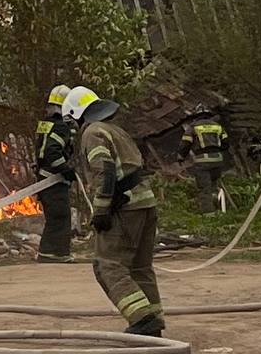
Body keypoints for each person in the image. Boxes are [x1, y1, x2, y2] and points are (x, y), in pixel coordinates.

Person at [63, 85, 164, 338]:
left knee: (108, 265)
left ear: (78, 115)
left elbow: (104, 171)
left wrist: (101, 211)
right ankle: (153, 321)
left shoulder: (92, 133)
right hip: (144, 204)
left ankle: (142, 318)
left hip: (124, 208)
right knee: (140, 268)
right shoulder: (115, 130)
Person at [34, 83, 76, 262]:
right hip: (53, 180)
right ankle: (55, 254)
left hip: (43, 178)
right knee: (60, 216)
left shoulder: (46, 124)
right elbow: (52, 152)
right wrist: (65, 170)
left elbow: (42, 150)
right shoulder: (60, 127)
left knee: (54, 217)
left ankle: (49, 253)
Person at [177, 106, 229, 214]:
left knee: (205, 188)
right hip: (218, 160)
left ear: (196, 116)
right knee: (214, 185)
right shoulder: (217, 126)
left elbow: (185, 144)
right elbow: (226, 143)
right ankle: (219, 209)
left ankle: (208, 214)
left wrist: (181, 157)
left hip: (202, 162)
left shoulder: (193, 127)